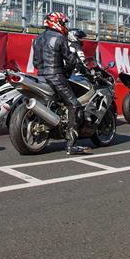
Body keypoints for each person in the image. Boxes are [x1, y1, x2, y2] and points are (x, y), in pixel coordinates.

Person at [32, 12, 88, 155]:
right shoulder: (60, 38)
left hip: (40, 76)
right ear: (57, 22)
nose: (64, 26)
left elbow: (35, 62)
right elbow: (70, 60)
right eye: (63, 23)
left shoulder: (37, 39)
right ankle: (71, 145)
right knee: (74, 105)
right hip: (56, 76)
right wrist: (69, 69)